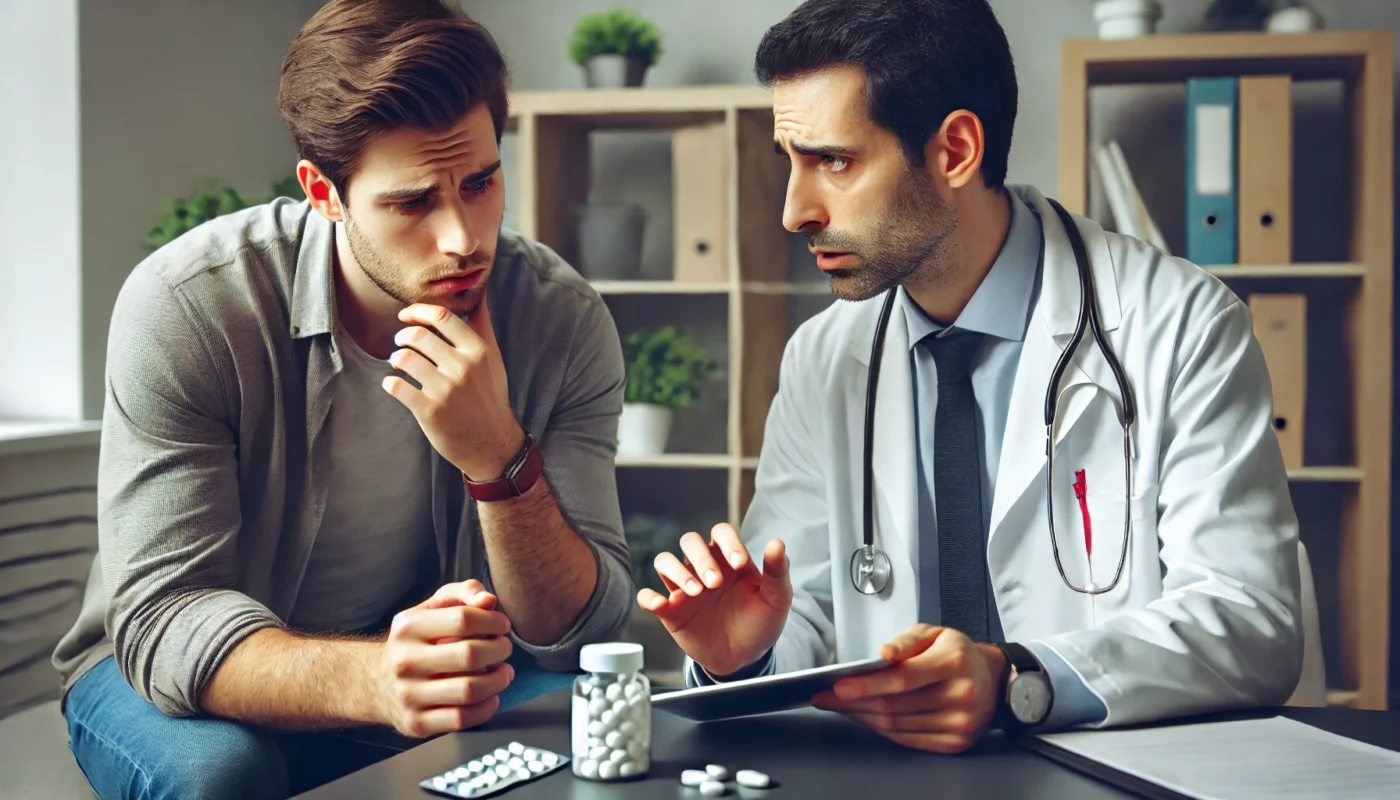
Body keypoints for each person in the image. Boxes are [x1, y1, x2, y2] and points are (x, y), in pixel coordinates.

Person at [641, 0, 1303, 754]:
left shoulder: (1179, 323)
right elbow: (802, 616)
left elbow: (1254, 621)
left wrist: (1019, 679)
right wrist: (739, 657)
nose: (794, 210)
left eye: (834, 161)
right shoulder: (824, 356)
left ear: (955, 150)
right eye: (789, 162)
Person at [52, 1, 633, 796]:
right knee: (223, 776)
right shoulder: (192, 306)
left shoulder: (560, 320)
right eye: (412, 202)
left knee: (591, 731)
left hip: (409, 665)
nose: (463, 237)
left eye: (480, 183)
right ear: (323, 193)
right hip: (176, 670)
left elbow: (580, 631)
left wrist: (498, 458)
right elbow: (161, 620)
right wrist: (373, 682)